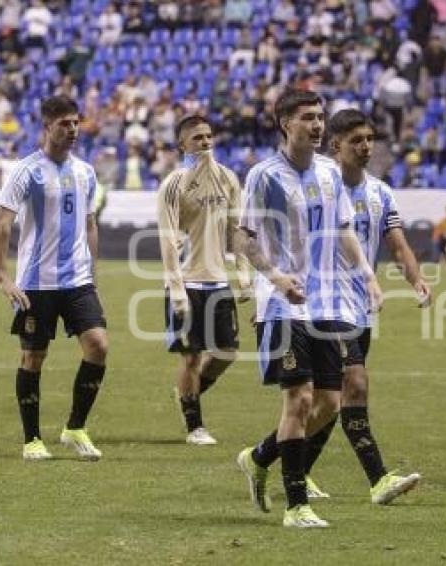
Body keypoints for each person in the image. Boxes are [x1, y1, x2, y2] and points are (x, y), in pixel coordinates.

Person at [235, 89, 383, 528]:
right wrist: (275, 276)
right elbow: (242, 237)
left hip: (323, 304)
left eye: (320, 117)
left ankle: (260, 456)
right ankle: (296, 506)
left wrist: (368, 275)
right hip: (281, 305)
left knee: (329, 403)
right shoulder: (264, 176)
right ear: (285, 123)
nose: (317, 125)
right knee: (298, 399)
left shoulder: (328, 173)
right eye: (307, 118)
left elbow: (342, 228)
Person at [299, 109, 428, 503]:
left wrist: (416, 277)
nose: (366, 146)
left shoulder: (380, 192)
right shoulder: (316, 186)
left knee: (331, 400)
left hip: (358, 306)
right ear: (336, 146)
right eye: (357, 140)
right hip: (322, 302)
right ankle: (379, 479)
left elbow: (397, 243)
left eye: (370, 139)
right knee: (353, 384)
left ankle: (284, 464)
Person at [0, 96, 108, 461]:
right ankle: (32, 440)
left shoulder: (86, 172)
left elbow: (90, 224)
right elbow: (2, 222)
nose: (73, 130)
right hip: (36, 282)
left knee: (99, 346)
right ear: (47, 126)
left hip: (77, 280)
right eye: (65, 124)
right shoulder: (28, 171)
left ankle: (75, 428)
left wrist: (94, 272)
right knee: (33, 357)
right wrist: (3, 277)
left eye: (76, 123)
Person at [156, 115, 250, 445]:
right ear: (183, 145)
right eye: (197, 138)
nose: (206, 142)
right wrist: (176, 287)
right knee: (192, 356)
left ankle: (186, 394)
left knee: (227, 351)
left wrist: (242, 271)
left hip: (216, 279)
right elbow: (167, 239)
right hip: (187, 282)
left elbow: (236, 229)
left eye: (209, 136)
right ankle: (195, 425)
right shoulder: (174, 183)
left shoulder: (227, 178)